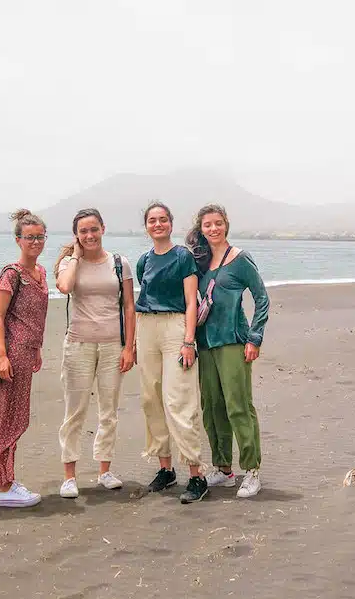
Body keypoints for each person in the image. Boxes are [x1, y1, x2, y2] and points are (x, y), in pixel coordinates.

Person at [186, 204, 270, 498]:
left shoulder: (240, 259)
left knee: (238, 406)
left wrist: (254, 338)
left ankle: (252, 470)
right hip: (205, 343)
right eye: (207, 224)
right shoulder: (199, 261)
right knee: (212, 407)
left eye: (218, 223)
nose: (213, 229)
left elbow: (262, 298)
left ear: (226, 225)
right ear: (201, 228)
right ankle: (223, 470)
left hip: (233, 341)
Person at [54, 208, 137, 498]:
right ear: (76, 235)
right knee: (74, 411)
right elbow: (65, 287)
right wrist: (76, 257)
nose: (89, 235)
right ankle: (69, 477)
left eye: (94, 229)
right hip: (78, 344)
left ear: (103, 228)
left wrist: (129, 347)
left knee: (108, 411)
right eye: (83, 231)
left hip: (113, 345)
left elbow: (129, 306)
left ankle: (104, 471)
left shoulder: (120, 263)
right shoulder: (69, 263)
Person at [0, 209, 49, 508]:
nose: (35, 242)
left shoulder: (40, 273)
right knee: (11, 419)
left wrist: (37, 348)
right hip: (11, 355)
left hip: (27, 353)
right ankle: (5, 486)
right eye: (29, 237)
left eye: (40, 237)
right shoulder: (11, 274)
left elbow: (34, 317)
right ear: (18, 240)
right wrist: (2, 357)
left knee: (1, 415)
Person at [135, 202, 209, 504]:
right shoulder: (144, 260)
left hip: (176, 327)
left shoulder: (182, 257)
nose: (158, 224)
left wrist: (189, 341)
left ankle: (196, 474)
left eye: (163, 219)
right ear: (146, 226)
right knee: (151, 398)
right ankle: (166, 469)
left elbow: (192, 301)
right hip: (146, 327)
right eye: (152, 220)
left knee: (179, 399)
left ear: (171, 223)